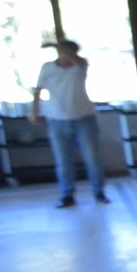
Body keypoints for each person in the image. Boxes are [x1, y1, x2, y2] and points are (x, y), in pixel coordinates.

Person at [30, 40, 107, 207]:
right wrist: (34, 112)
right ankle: (67, 195)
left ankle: (99, 192)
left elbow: (78, 61)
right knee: (63, 160)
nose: (67, 55)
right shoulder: (47, 68)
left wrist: (56, 45)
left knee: (92, 158)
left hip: (84, 118)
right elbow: (37, 91)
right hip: (57, 120)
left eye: (69, 52)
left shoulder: (80, 66)